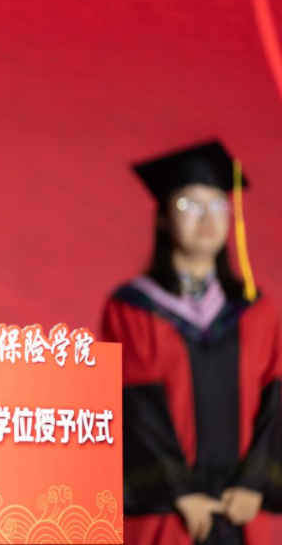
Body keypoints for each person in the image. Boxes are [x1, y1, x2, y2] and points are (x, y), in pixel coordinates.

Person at [101, 140, 282, 545]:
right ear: (163, 218)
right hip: (170, 513)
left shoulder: (256, 310)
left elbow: (276, 398)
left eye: (218, 205)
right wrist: (180, 491)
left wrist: (254, 483)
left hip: (241, 510)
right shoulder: (132, 308)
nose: (207, 218)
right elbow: (132, 402)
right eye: (189, 205)